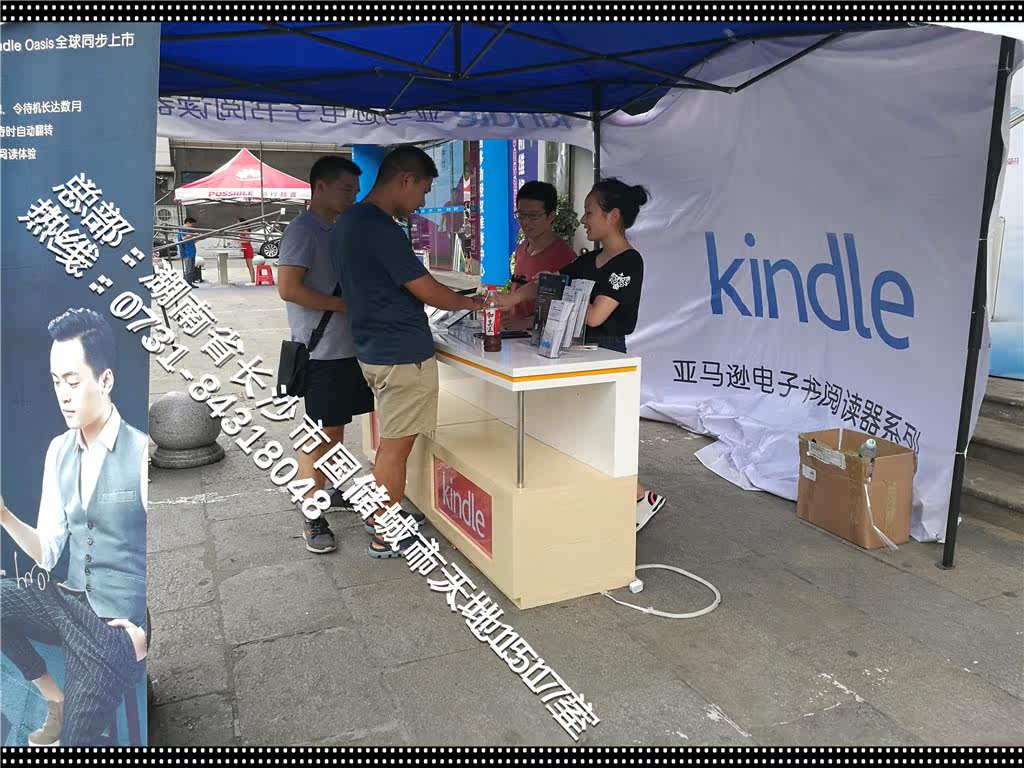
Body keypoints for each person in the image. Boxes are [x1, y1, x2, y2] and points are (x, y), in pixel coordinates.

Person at [334, 145, 515, 559]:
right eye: (423, 191)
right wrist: (472, 303)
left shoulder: (349, 221)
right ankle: (385, 532)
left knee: (390, 444)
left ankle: (380, 514)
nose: (420, 203)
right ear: (406, 180)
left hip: (373, 348)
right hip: (401, 354)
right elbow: (425, 288)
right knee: (395, 448)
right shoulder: (380, 227)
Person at [0, 308, 148, 746]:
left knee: (75, 744)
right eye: (56, 382)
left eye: (73, 381)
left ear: (105, 380)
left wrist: (143, 630)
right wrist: (5, 517)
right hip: (67, 602)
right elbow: (48, 552)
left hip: (114, 629)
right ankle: (55, 699)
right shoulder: (59, 450)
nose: (63, 396)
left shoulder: (139, 453)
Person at [508, 177, 667, 527]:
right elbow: (549, 281)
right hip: (579, 350)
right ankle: (607, 498)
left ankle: (639, 496)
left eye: (589, 212)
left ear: (613, 216)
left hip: (607, 353)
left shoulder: (629, 263)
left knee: (602, 432)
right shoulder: (590, 260)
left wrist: (556, 295)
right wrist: (515, 297)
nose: (583, 220)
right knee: (580, 430)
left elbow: (595, 315)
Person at [276, 156, 375, 555]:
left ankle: (328, 490)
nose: (352, 197)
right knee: (317, 433)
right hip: (321, 352)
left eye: (355, 191)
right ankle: (311, 514)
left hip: (346, 349)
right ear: (320, 186)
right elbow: (288, 288)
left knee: (334, 428)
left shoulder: (338, 228)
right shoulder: (303, 230)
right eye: (345, 189)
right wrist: (343, 305)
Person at [506, 181, 577, 329]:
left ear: (551, 216)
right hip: (513, 335)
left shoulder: (565, 256)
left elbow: (566, 309)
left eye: (533, 216)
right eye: (521, 215)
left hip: (541, 337)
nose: (525, 222)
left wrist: (526, 323)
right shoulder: (521, 249)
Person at [176, 216, 198, 286]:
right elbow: (183, 238)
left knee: (191, 268)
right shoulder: (182, 229)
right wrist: (193, 235)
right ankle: (186, 283)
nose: (192, 227)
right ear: (188, 223)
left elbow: (190, 241)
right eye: (192, 225)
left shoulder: (187, 230)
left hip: (191, 251)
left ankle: (190, 282)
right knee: (188, 269)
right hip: (187, 252)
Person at [237, 217, 256, 285]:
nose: (237, 224)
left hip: (248, 248)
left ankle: (253, 281)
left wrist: (240, 241)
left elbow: (248, 240)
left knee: (250, 265)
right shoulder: (242, 230)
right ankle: (252, 280)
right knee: (248, 266)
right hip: (245, 248)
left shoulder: (245, 230)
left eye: (238, 223)